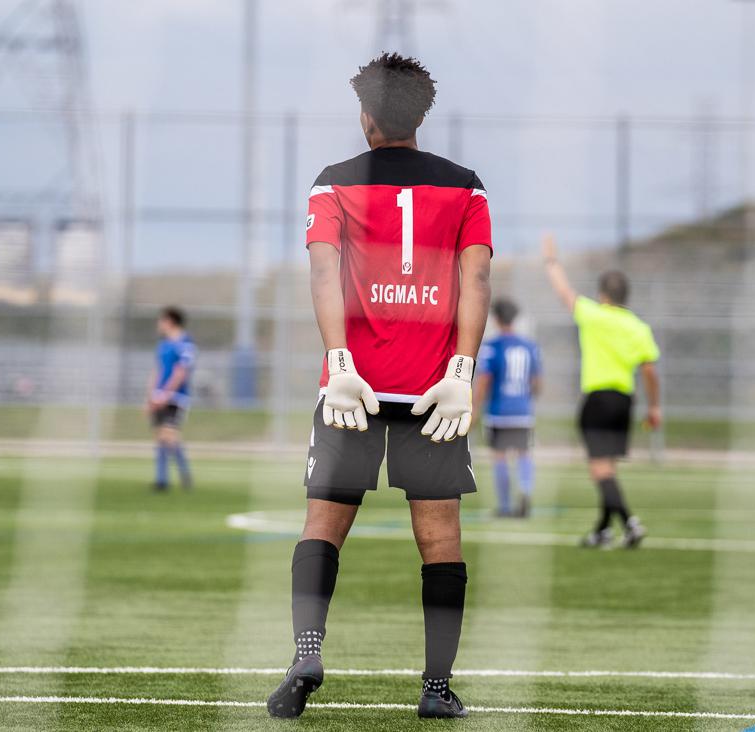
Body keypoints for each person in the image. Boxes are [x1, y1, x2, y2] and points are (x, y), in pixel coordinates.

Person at [267, 53, 492, 720]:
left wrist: (339, 360)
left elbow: (322, 274)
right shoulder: (466, 188)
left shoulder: (332, 184)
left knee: (322, 527)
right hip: (433, 393)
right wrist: (462, 371)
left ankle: (307, 650)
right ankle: (435, 687)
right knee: (440, 539)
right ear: (421, 116)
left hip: (352, 390)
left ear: (366, 117)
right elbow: (475, 281)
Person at [541, 234, 661, 549]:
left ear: (603, 295)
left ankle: (630, 523)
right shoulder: (638, 327)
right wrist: (654, 407)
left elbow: (563, 292)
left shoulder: (594, 315)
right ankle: (603, 530)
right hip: (624, 401)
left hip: (597, 399)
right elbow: (649, 370)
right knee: (607, 470)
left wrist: (551, 260)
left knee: (600, 470)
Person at [474, 298, 541, 517]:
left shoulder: (492, 346)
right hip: (523, 411)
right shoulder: (530, 346)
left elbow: (484, 381)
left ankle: (504, 506)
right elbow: (537, 383)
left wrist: (474, 410)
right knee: (524, 454)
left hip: (499, 411)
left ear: (495, 319)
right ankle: (526, 492)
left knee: (500, 456)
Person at [145, 306, 196, 491]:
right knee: (161, 437)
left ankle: (184, 475)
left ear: (170, 321)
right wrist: (151, 396)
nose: (159, 324)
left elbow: (180, 371)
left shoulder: (185, 343)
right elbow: (157, 371)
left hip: (176, 397)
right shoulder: (163, 345)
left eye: (162, 320)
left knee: (170, 435)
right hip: (159, 396)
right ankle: (162, 480)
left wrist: (166, 394)